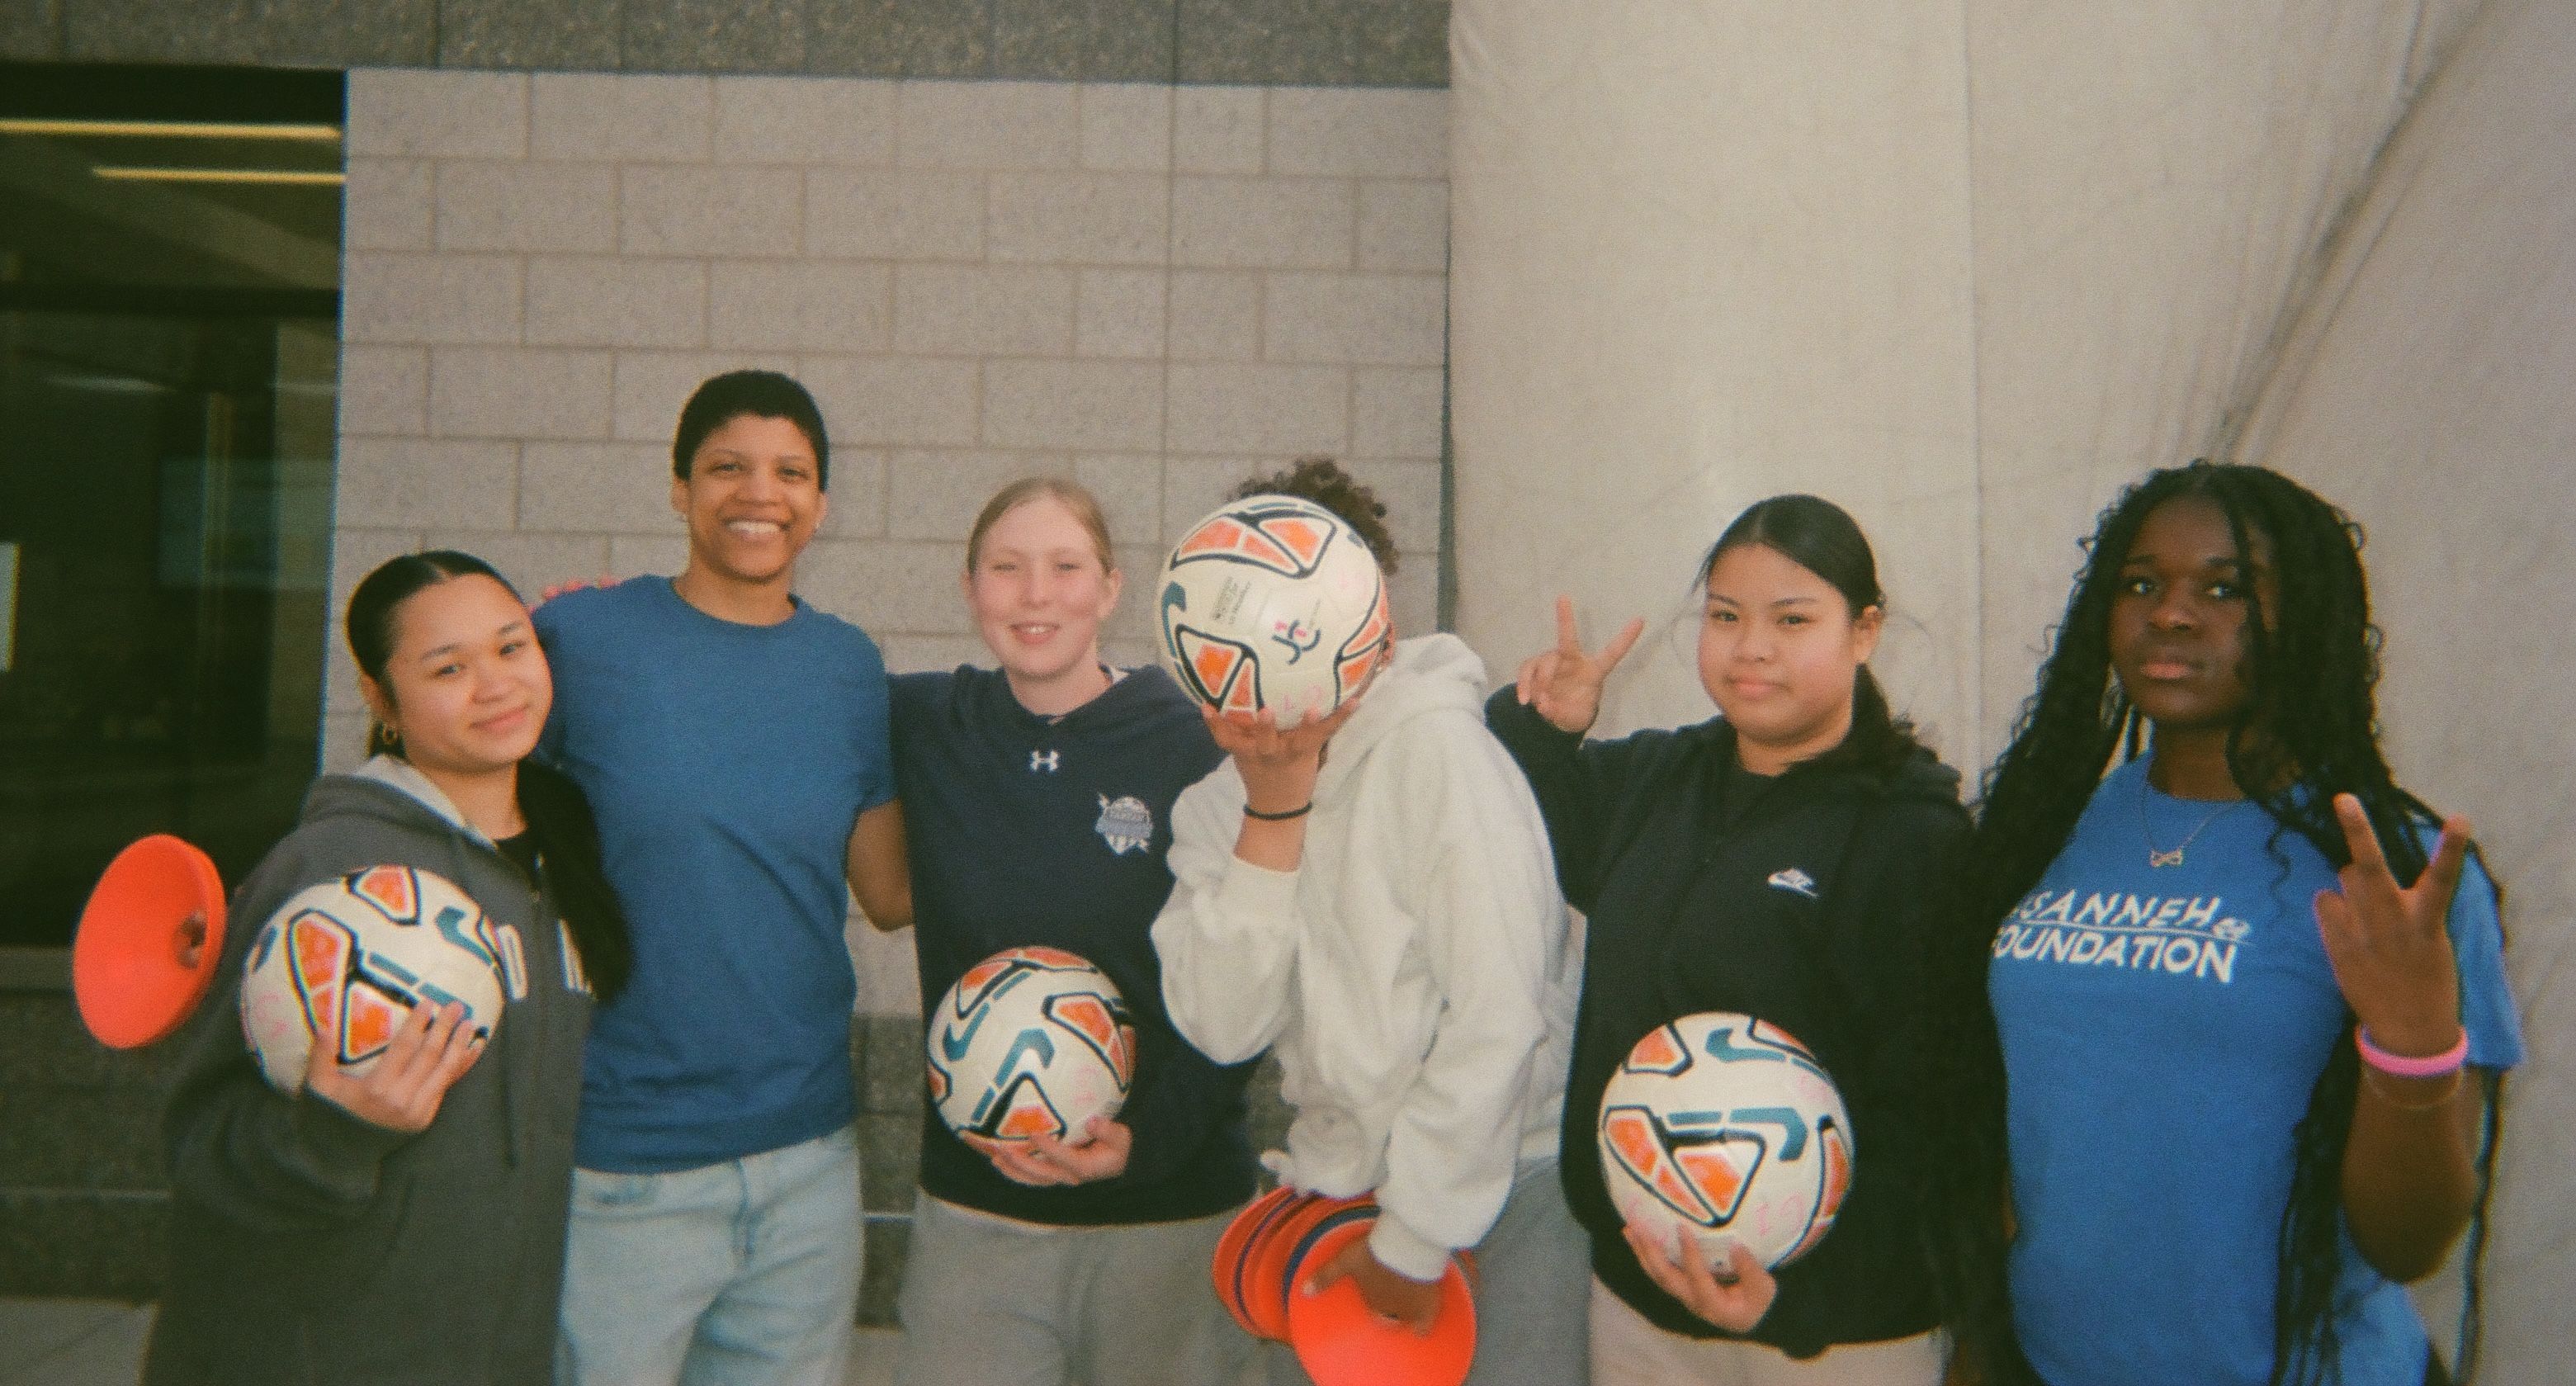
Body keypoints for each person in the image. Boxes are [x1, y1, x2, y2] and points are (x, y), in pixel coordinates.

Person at [1957, 461, 2519, 1386]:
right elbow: (2003, 1142)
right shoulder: (2044, 827)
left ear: (2309, 621)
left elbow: (2409, 1242)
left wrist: (2413, 1042)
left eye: (2226, 589)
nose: (2172, 615)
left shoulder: (2397, 872)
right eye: (2141, 584)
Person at [1487, 494, 1969, 1385]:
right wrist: (1543, 723)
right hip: (1641, 1305)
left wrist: (1800, 1304)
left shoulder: (1912, 832)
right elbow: (1517, 808)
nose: (1751, 646)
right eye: (1724, 616)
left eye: (1793, 619)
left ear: (1864, 631)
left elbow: (1935, 1113)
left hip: (1832, 1333)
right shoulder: (1653, 778)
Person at [1152, 457, 1591, 1386]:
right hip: (1336, 1193)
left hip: (1504, 1184)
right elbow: (1222, 1027)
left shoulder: (1441, 753)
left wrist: (1418, 1237)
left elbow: (1501, 1009)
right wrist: (1271, 814)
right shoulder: (1211, 806)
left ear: (1371, 610)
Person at [143, 551, 630, 1386]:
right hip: (320, 1350)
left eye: (511, 647)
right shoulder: (331, 873)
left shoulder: (561, 853)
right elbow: (200, 1141)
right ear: (381, 699)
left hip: (492, 1349)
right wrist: (332, 1130)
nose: (495, 684)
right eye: (448, 667)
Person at [540, 370, 912, 1386]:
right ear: (678, 488)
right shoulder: (584, 639)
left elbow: (890, 892)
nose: (761, 492)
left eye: (790, 471)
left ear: (822, 503)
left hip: (809, 1161)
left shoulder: (845, 666)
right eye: (727, 468)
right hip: (626, 1158)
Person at [884, 476, 1257, 1386]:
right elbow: (774, 676)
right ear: (970, 587)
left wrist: (1148, 1144)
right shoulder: (928, 721)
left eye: (1065, 566)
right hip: (979, 1217)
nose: (1036, 593)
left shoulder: (1196, 740)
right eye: (1006, 568)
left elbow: (1250, 972)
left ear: (1111, 588)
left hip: (1169, 1217)